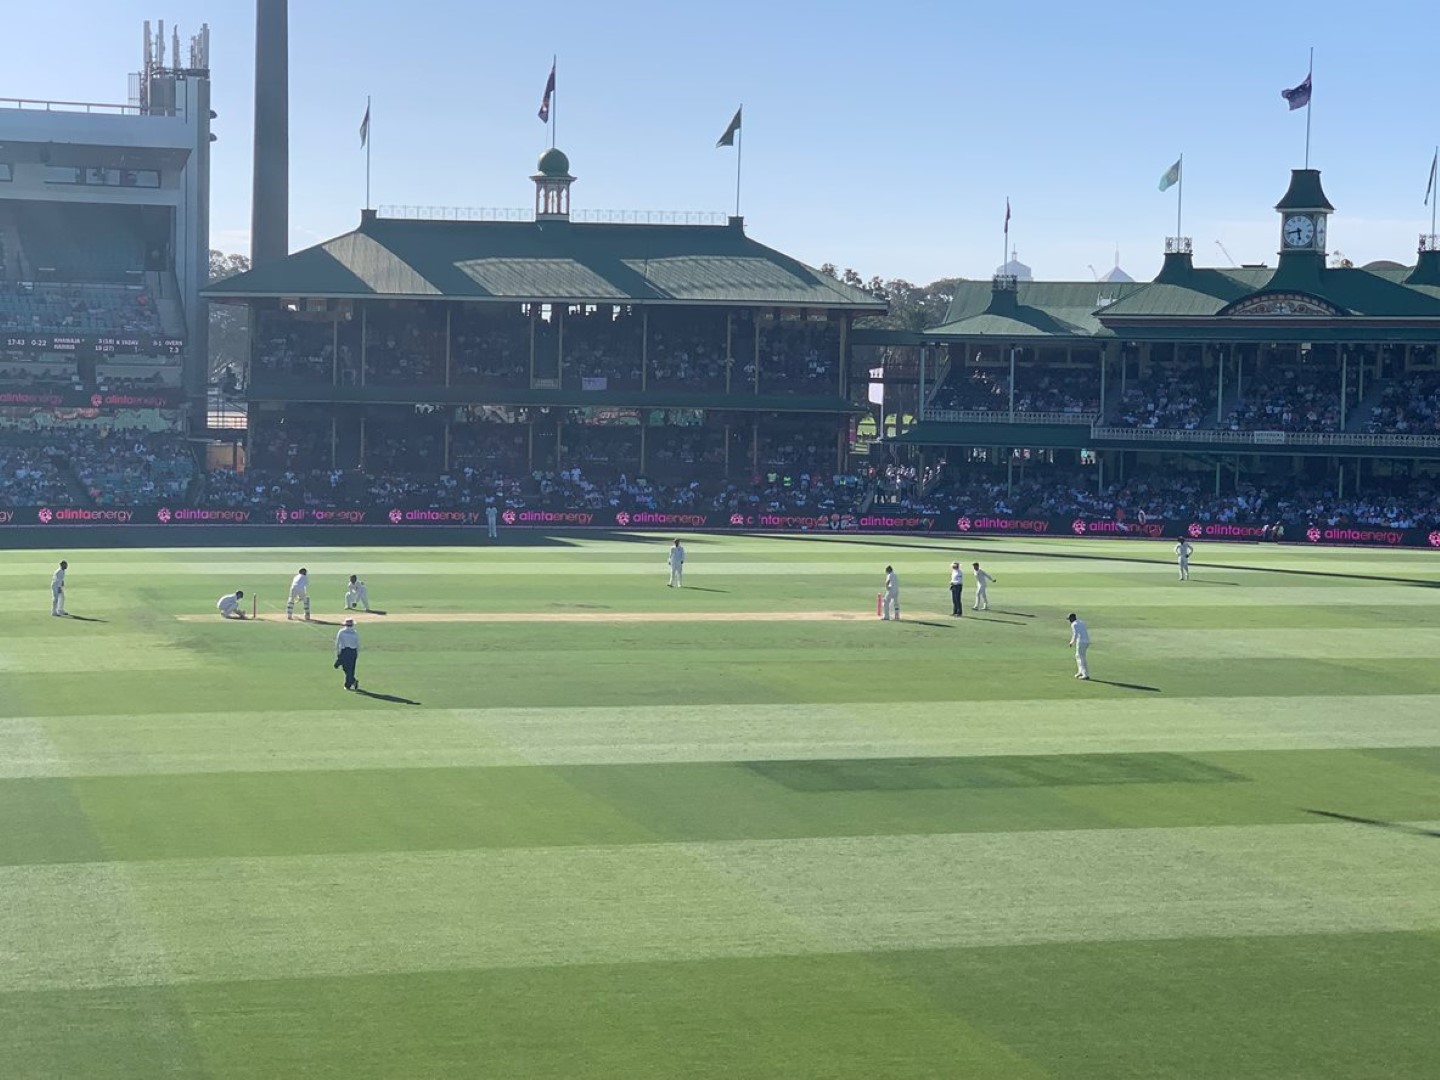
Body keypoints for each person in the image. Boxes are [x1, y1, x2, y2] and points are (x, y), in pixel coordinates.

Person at [334, 617, 360, 689]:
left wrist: (337, 653)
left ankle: (348, 684)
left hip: (344, 652)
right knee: (350, 669)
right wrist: (357, 653)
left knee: (346, 668)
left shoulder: (341, 632)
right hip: (352, 652)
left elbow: (337, 643)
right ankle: (353, 681)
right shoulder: (355, 633)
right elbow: (358, 644)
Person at [1067, 612, 1090, 680]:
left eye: (1069, 619)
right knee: (1078, 656)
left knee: (1081, 658)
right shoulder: (1081, 622)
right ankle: (1080, 672)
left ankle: (1085, 674)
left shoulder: (1074, 624)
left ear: (1072, 618)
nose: (1069, 620)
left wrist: (1071, 642)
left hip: (1081, 642)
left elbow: (1075, 634)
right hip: (1086, 641)